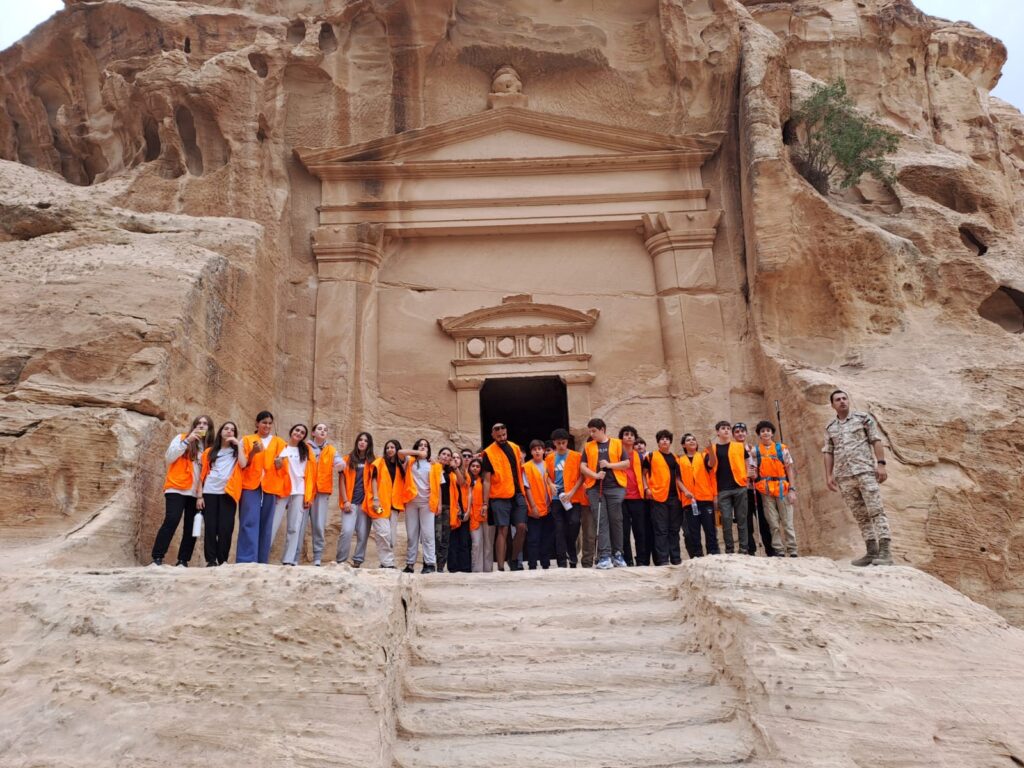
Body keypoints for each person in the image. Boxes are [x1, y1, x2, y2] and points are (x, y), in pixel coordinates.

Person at [823, 390, 893, 566]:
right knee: (860, 515)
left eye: (844, 398)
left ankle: (885, 552)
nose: (842, 401)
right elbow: (828, 451)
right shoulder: (830, 427)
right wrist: (829, 475)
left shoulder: (863, 419)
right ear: (832, 405)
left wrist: (881, 464)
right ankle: (871, 551)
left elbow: (875, 440)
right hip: (844, 476)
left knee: (876, 510)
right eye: (838, 400)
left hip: (865, 471)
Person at [152, 415, 212, 566]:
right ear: (193, 426)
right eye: (198, 423)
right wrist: (187, 441)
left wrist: (202, 494)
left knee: (191, 526)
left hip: (196, 493)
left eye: (205, 424)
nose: (201, 426)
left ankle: (183, 560)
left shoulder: (210, 448)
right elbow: (169, 457)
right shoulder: (182, 438)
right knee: (171, 520)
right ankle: (157, 557)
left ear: (209, 428)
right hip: (176, 488)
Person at [236, 411, 286, 564]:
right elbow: (243, 464)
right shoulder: (247, 440)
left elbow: (283, 466)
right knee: (249, 521)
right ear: (257, 423)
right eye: (264, 422)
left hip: (270, 486)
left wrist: (279, 464)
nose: (267, 425)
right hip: (250, 484)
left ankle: (262, 560)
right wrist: (253, 452)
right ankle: (246, 559)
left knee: (266, 523)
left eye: (270, 423)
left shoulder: (279, 442)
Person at [580, 418, 628, 569]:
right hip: (595, 488)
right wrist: (595, 475)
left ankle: (618, 554)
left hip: (615, 487)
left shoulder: (617, 443)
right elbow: (582, 466)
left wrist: (609, 465)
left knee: (616, 520)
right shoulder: (588, 446)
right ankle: (605, 556)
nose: (592, 434)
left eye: (594, 431)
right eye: (590, 431)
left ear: (602, 429)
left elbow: (626, 463)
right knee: (601, 521)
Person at [198, 420, 248, 566]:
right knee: (210, 527)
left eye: (232, 430)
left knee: (226, 528)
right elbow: (202, 475)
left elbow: (243, 464)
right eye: (226, 428)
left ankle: (223, 559)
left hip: (228, 492)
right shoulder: (209, 451)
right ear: (220, 432)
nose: (229, 431)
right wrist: (200, 496)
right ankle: (211, 560)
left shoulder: (237, 451)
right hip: (210, 491)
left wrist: (238, 445)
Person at [481, 423, 527, 571]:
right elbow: (486, 480)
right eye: (499, 436)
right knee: (503, 529)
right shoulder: (488, 453)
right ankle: (500, 567)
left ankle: (513, 559)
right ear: (493, 435)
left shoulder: (515, 447)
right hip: (499, 495)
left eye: (504, 435)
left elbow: (521, 469)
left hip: (517, 493)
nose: (502, 438)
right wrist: (485, 503)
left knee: (521, 527)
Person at [296, 423, 344, 566]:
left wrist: (340, 465)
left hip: (322, 492)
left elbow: (340, 463)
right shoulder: (305, 447)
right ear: (313, 433)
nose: (322, 431)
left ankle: (317, 557)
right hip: (304, 490)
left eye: (325, 429)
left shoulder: (331, 450)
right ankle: (294, 556)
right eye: (319, 429)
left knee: (318, 525)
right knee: (299, 525)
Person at [645, 428, 694, 565]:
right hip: (658, 497)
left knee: (674, 530)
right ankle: (663, 560)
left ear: (670, 442)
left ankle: (676, 559)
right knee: (661, 530)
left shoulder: (676, 458)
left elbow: (678, 478)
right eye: (662, 439)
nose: (665, 441)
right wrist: (646, 488)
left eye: (667, 439)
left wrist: (685, 491)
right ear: (658, 442)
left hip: (675, 498)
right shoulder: (651, 456)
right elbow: (643, 474)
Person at [751, 420, 799, 557]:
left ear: (772, 433)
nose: (765, 433)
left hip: (782, 488)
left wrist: (792, 489)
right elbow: (754, 470)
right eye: (762, 431)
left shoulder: (782, 449)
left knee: (787, 521)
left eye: (768, 430)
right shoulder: (755, 451)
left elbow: (789, 469)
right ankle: (778, 549)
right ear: (759, 434)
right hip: (766, 490)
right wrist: (753, 475)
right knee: (773, 522)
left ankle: (792, 549)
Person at [273, 424, 317, 565]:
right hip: (282, 491)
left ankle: (288, 559)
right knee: (273, 524)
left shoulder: (307, 451)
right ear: (291, 431)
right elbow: (274, 470)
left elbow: (311, 475)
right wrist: (277, 465)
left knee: (294, 527)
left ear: (304, 436)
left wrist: (309, 496)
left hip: (299, 491)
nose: (299, 433)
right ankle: (262, 555)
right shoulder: (281, 447)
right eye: (297, 430)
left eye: (302, 432)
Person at [706, 420, 750, 554]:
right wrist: (710, 451)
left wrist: (747, 478)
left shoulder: (739, 446)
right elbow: (710, 465)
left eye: (728, 428)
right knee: (725, 520)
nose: (726, 430)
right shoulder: (712, 448)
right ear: (717, 432)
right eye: (723, 428)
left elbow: (746, 461)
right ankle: (729, 549)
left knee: (742, 518)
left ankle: (744, 548)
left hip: (739, 486)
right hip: (722, 489)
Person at [545, 428, 586, 568]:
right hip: (557, 498)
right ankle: (562, 561)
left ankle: (571, 549)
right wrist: (550, 484)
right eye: (558, 443)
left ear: (567, 442)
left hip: (573, 497)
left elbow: (582, 476)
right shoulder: (550, 458)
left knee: (574, 523)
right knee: (559, 528)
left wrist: (572, 492)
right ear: (554, 443)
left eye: (563, 442)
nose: (561, 445)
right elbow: (546, 475)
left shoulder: (576, 456)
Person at [399, 439, 441, 574]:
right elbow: (400, 452)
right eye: (420, 445)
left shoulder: (434, 465)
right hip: (411, 502)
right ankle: (410, 564)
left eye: (425, 446)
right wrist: (417, 453)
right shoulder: (410, 461)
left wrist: (439, 504)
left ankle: (430, 564)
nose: (423, 447)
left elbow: (438, 486)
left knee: (428, 535)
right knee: (412, 535)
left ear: (429, 449)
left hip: (427, 503)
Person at [732, 422, 772, 556]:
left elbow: (759, 465)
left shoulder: (753, 449)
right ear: (733, 435)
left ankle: (770, 549)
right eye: (737, 432)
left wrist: (756, 474)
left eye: (742, 431)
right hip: (741, 488)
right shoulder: (732, 450)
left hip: (756, 487)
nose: (740, 434)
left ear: (746, 433)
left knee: (763, 520)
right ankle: (751, 549)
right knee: (746, 521)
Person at [336, 432, 374, 567]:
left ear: (369, 444)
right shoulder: (346, 459)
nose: (362, 442)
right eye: (360, 440)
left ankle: (357, 560)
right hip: (350, 503)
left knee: (363, 534)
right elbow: (341, 481)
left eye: (365, 441)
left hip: (365, 504)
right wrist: (345, 500)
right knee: (346, 531)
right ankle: (341, 561)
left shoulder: (373, 462)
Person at [678, 433, 718, 557]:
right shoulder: (680, 460)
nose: (691, 441)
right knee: (693, 532)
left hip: (705, 499)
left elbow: (712, 463)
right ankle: (698, 555)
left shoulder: (703, 456)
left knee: (710, 529)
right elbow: (677, 479)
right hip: (689, 501)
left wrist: (711, 450)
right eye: (688, 440)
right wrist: (685, 491)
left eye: (693, 439)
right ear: (683, 445)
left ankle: (713, 553)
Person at [368, 439, 406, 568]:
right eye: (387, 447)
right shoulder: (379, 462)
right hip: (380, 506)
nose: (389, 450)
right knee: (383, 532)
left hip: (393, 507)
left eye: (392, 447)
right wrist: (375, 498)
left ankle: (384, 563)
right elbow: (373, 480)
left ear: (397, 449)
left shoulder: (400, 466)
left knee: (391, 537)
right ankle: (388, 563)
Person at [524, 439, 557, 570]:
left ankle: (545, 563)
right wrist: (533, 507)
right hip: (534, 508)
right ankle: (532, 564)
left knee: (547, 538)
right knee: (533, 538)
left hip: (549, 507)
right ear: (531, 452)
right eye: (534, 449)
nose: (537, 451)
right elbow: (527, 488)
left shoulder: (549, 465)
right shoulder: (526, 467)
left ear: (543, 451)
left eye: (539, 449)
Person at [618, 426, 648, 566]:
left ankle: (642, 560)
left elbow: (644, 474)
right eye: (626, 434)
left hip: (637, 497)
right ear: (621, 438)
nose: (629, 437)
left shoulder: (639, 456)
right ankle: (628, 560)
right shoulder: (617, 454)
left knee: (640, 531)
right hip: (621, 497)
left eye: (632, 435)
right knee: (624, 532)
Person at [465, 457, 493, 572]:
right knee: (476, 543)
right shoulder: (467, 480)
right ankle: (477, 569)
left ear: (481, 468)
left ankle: (488, 569)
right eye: (473, 466)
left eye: (477, 466)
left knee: (488, 543)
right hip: (473, 515)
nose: (475, 468)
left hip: (486, 513)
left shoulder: (485, 480)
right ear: (469, 468)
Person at [446, 453, 472, 573]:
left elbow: (462, 483)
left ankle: (465, 567)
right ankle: (453, 567)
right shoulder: (447, 473)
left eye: (457, 458)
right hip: (452, 508)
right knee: (453, 540)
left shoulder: (465, 474)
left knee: (464, 540)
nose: (455, 459)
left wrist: (468, 511)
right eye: (453, 458)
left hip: (464, 508)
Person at [434, 447, 455, 571]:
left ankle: (441, 566)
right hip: (436, 506)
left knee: (445, 538)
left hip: (448, 507)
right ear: (439, 456)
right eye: (443, 454)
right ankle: (432, 563)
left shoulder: (451, 473)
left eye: (448, 455)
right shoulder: (433, 468)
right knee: (436, 536)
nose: (446, 456)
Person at [635, 438, 654, 566]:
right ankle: (643, 559)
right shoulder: (632, 458)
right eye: (636, 444)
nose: (639, 445)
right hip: (638, 499)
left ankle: (658, 558)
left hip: (652, 497)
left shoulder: (651, 457)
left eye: (641, 443)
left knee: (654, 529)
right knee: (642, 530)